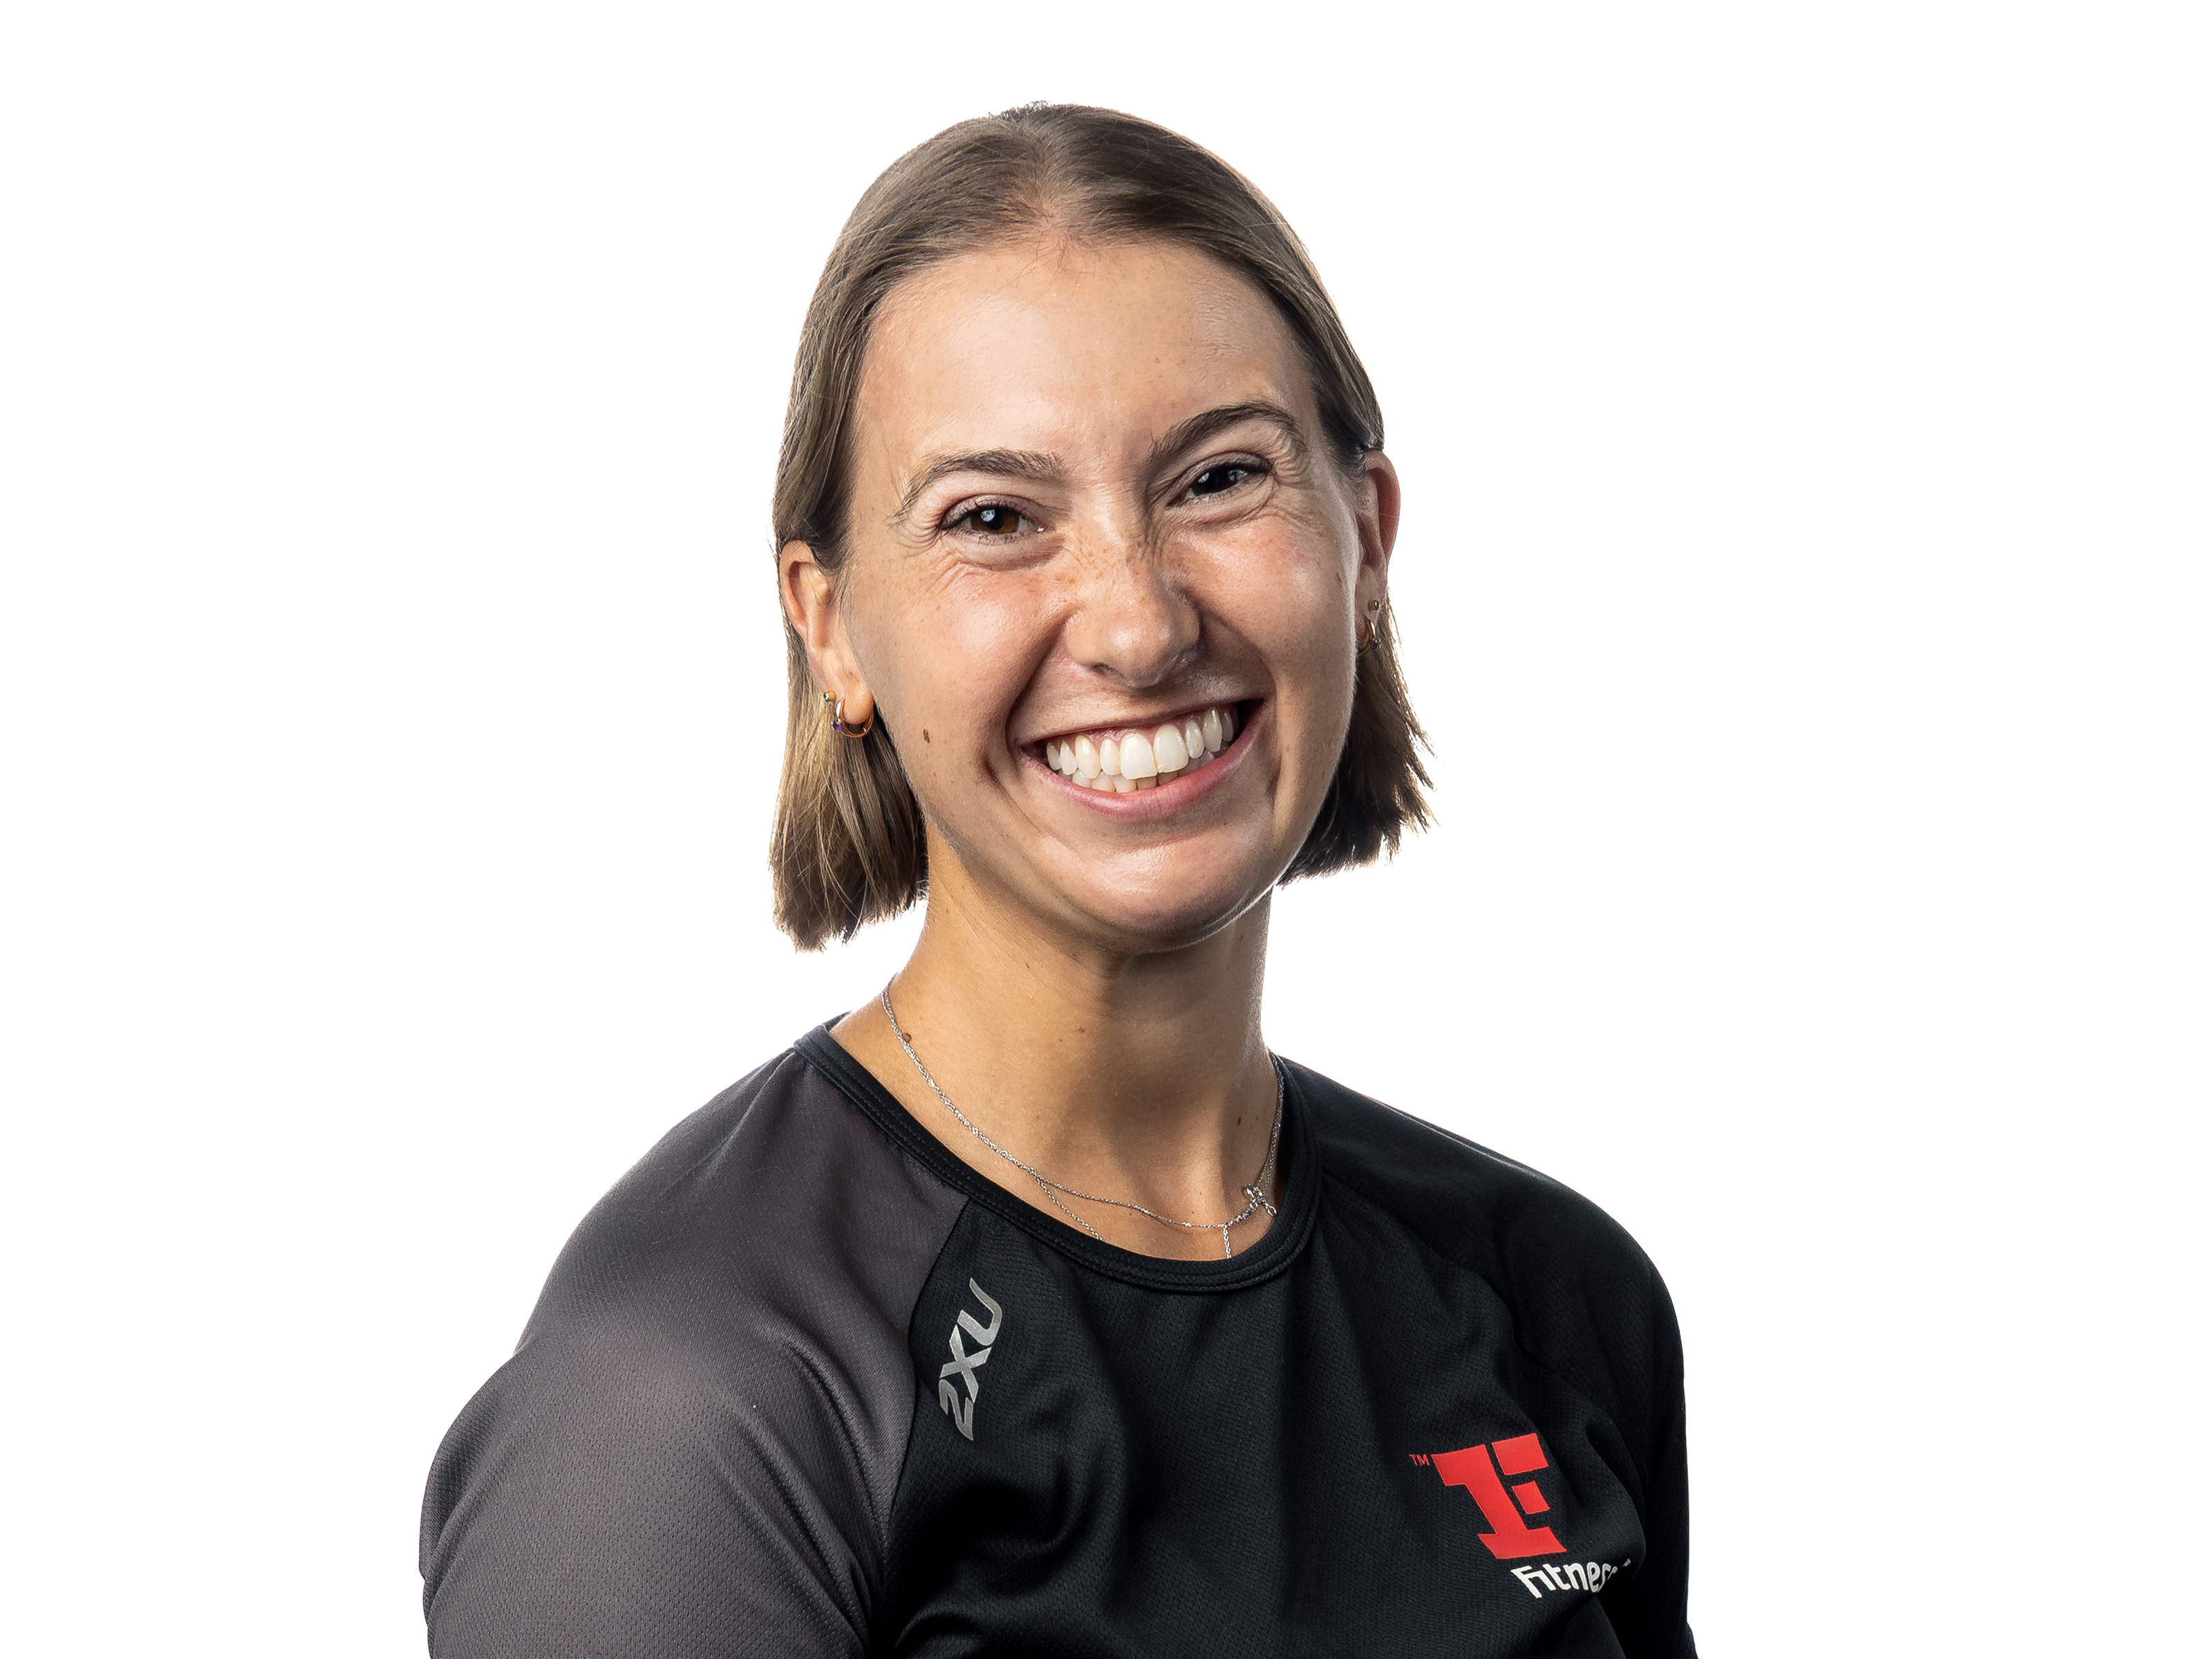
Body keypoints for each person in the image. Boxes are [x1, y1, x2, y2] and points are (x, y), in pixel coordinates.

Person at [420, 104, 1696, 1658]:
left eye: (1218, 480)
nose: (1138, 625)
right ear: (830, 627)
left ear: (1365, 541)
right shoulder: (697, 1392)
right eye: (994, 518)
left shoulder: (1553, 1297)